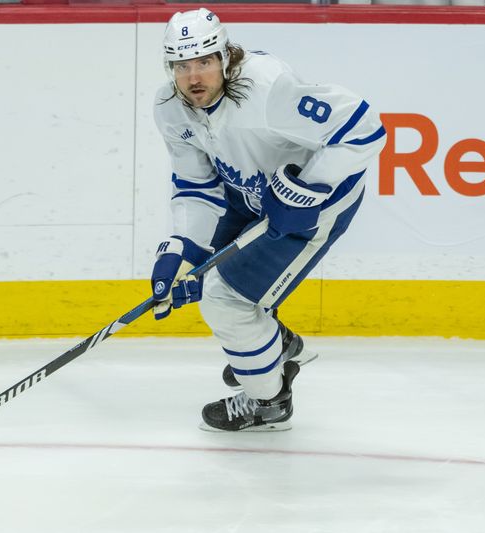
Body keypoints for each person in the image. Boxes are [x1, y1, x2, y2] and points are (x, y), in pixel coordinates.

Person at [150, 8, 386, 432]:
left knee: (226, 301)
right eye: (182, 66)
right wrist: (180, 249)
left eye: (204, 61)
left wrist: (308, 187)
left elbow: (365, 129)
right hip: (251, 194)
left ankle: (269, 401)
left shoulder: (267, 86)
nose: (194, 77)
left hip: (316, 207)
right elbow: (195, 184)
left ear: (224, 57)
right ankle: (276, 348)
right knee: (208, 282)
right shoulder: (170, 107)